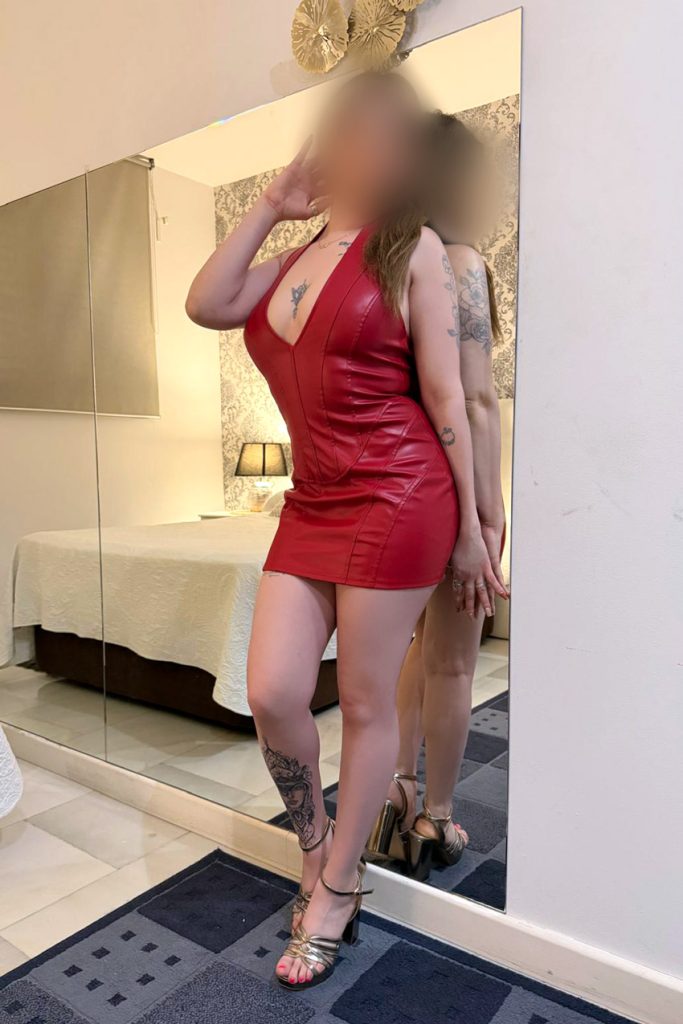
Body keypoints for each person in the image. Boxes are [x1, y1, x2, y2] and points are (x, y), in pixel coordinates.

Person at [186, 77, 506, 991]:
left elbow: (448, 398)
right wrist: (270, 205)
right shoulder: (292, 255)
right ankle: (318, 843)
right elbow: (208, 303)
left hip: (399, 494)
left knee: (365, 706)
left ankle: (337, 886)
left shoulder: (418, 251)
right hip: (312, 500)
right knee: (272, 690)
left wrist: (473, 528)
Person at [367, 112, 509, 878]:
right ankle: (437, 820)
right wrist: (488, 510)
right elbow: (475, 399)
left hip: (398, 489)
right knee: (453, 662)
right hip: (451, 488)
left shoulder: (386, 264)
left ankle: (396, 788)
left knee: (417, 648)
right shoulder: (458, 261)